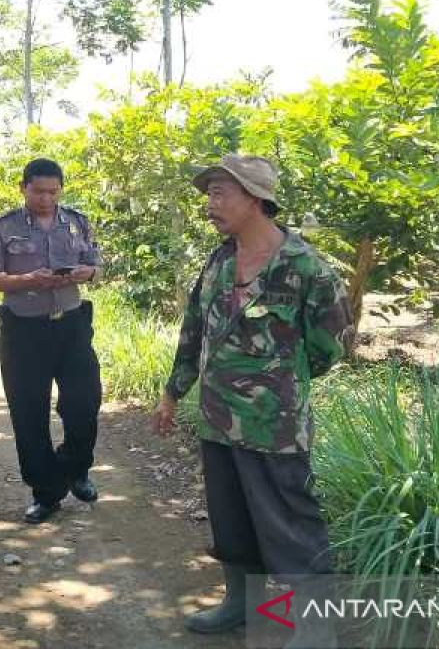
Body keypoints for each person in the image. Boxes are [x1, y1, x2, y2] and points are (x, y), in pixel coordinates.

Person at [150, 154, 352, 648]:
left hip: (275, 427)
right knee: (232, 519)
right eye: (209, 193)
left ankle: (315, 627)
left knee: (291, 526)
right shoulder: (219, 260)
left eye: (221, 193)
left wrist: (277, 381)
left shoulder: (306, 268)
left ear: (256, 199)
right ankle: (243, 604)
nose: (210, 204)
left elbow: (332, 345)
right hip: (218, 421)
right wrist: (173, 392)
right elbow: (194, 330)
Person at [0, 158, 103, 524]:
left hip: (73, 325)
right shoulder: (3, 227)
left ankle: (76, 468)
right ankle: (46, 492)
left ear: (61, 189)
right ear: (23, 188)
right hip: (24, 330)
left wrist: (87, 272)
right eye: (39, 191)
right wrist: (28, 279)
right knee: (29, 412)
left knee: (85, 402)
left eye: (53, 191)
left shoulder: (77, 222)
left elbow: (97, 263)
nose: (47, 198)